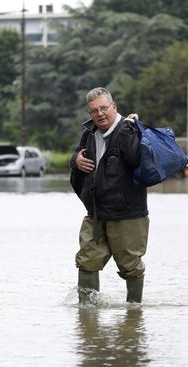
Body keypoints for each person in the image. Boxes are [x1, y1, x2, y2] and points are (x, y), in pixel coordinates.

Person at [70, 87, 149, 304]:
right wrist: (76, 159)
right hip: (95, 212)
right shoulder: (88, 133)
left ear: (114, 107)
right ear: (89, 113)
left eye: (104, 108)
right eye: (94, 111)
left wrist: (127, 129)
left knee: (130, 266)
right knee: (87, 260)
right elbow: (77, 157)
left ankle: (134, 313)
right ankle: (86, 315)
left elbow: (135, 159)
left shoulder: (129, 129)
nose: (100, 114)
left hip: (128, 213)